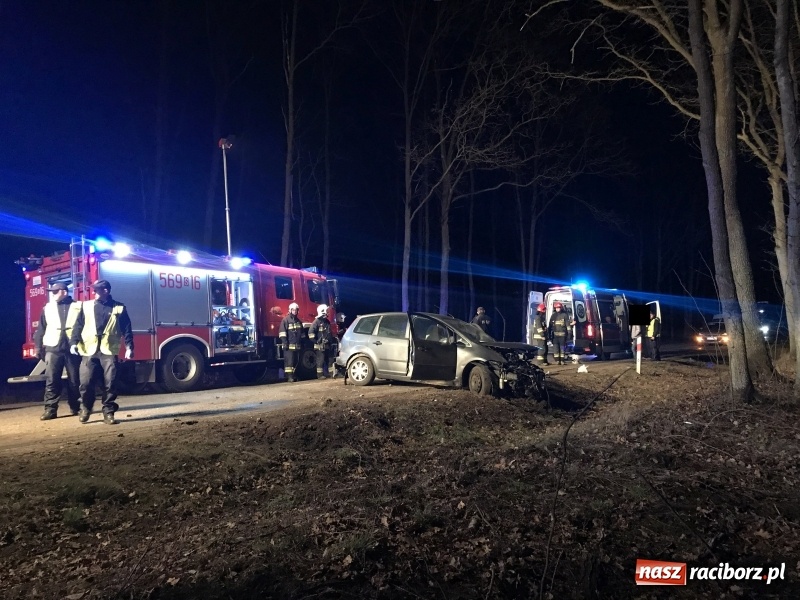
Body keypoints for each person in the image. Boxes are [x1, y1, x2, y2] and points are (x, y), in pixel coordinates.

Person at [69, 280, 134, 425]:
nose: (94, 292)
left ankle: (108, 412)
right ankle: (86, 408)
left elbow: (127, 329)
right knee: (85, 382)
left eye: (97, 290)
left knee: (110, 383)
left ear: (106, 291)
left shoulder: (119, 307)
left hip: (109, 350)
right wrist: (73, 343)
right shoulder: (86, 306)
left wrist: (129, 347)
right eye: (94, 290)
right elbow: (77, 326)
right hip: (89, 350)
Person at [34, 282, 83, 420]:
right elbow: (41, 329)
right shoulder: (48, 308)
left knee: (75, 380)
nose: (53, 294)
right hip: (53, 348)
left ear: (64, 292)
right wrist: (38, 347)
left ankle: (76, 407)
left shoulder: (78, 306)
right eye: (52, 292)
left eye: (55, 291)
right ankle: (50, 410)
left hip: (73, 349)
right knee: (52, 380)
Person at [278, 302, 304, 382]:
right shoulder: (285, 320)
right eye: (293, 310)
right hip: (289, 346)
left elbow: (302, 334)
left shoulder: (298, 321)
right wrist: (285, 343)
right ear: (290, 310)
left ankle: (293, 375)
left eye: (296, 310)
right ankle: (289, 377)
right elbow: (282, 333)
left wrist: (302, 343)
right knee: (289, 362)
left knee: (296, 361)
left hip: (297, 346)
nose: (295, 311)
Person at [308, 304, 333, 379]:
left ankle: (332, 374)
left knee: (329, 360)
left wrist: (330, 342)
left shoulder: (327, 322)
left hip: (327, 344)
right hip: (319, 346)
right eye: (326, 311)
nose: (327, 313)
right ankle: (320, 375)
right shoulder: (316, 322)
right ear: (322, 311)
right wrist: (316, 341)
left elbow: (329, 333)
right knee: (320, 361)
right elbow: (310, 333)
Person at [548, 301, 575, 365]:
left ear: (561, 308)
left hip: (563, 335)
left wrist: (569, 334)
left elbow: (568, 325)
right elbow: (550, 326)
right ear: (555, 308)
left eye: (559, 307)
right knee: (556, 349)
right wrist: (549, 334)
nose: (558, 309)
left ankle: (562, 360)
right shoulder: (553, 315)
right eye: (557, 308)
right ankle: (557, 361)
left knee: (562, 348)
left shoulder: (565, 315)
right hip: (555, 335)